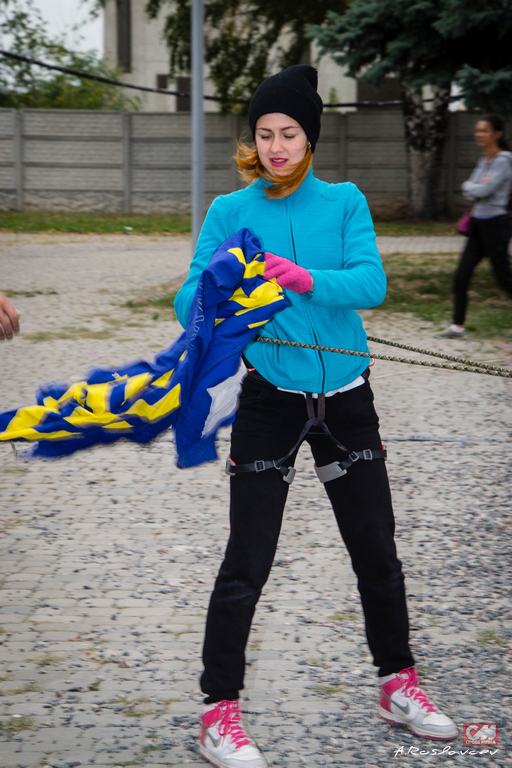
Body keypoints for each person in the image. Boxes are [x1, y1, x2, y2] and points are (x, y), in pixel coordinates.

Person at [175, 66, 458, 768]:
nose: (276, 146)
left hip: (348, 399)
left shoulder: (345, 201)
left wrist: (306, 280)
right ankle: (219, 712)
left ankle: (398, 684)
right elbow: (186, 305)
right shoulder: (228, 211)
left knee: (376, 552)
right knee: (248, 559)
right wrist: (217, 288)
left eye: (289, 133)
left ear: (310, 138)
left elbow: (372, 282)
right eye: (265, 134)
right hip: (270, 400)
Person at [435, 114, 512, 339]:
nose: (479, 134)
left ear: (497, 134)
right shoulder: (484, 160)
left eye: (484, 130)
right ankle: (457, 326)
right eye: (478, 130)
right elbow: (468, 187)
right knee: (462, 275)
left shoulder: (504, 160)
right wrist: (476, 186)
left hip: (496, 225)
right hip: (478, 224)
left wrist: (476, 187)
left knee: (504, 279)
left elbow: (483, 191)